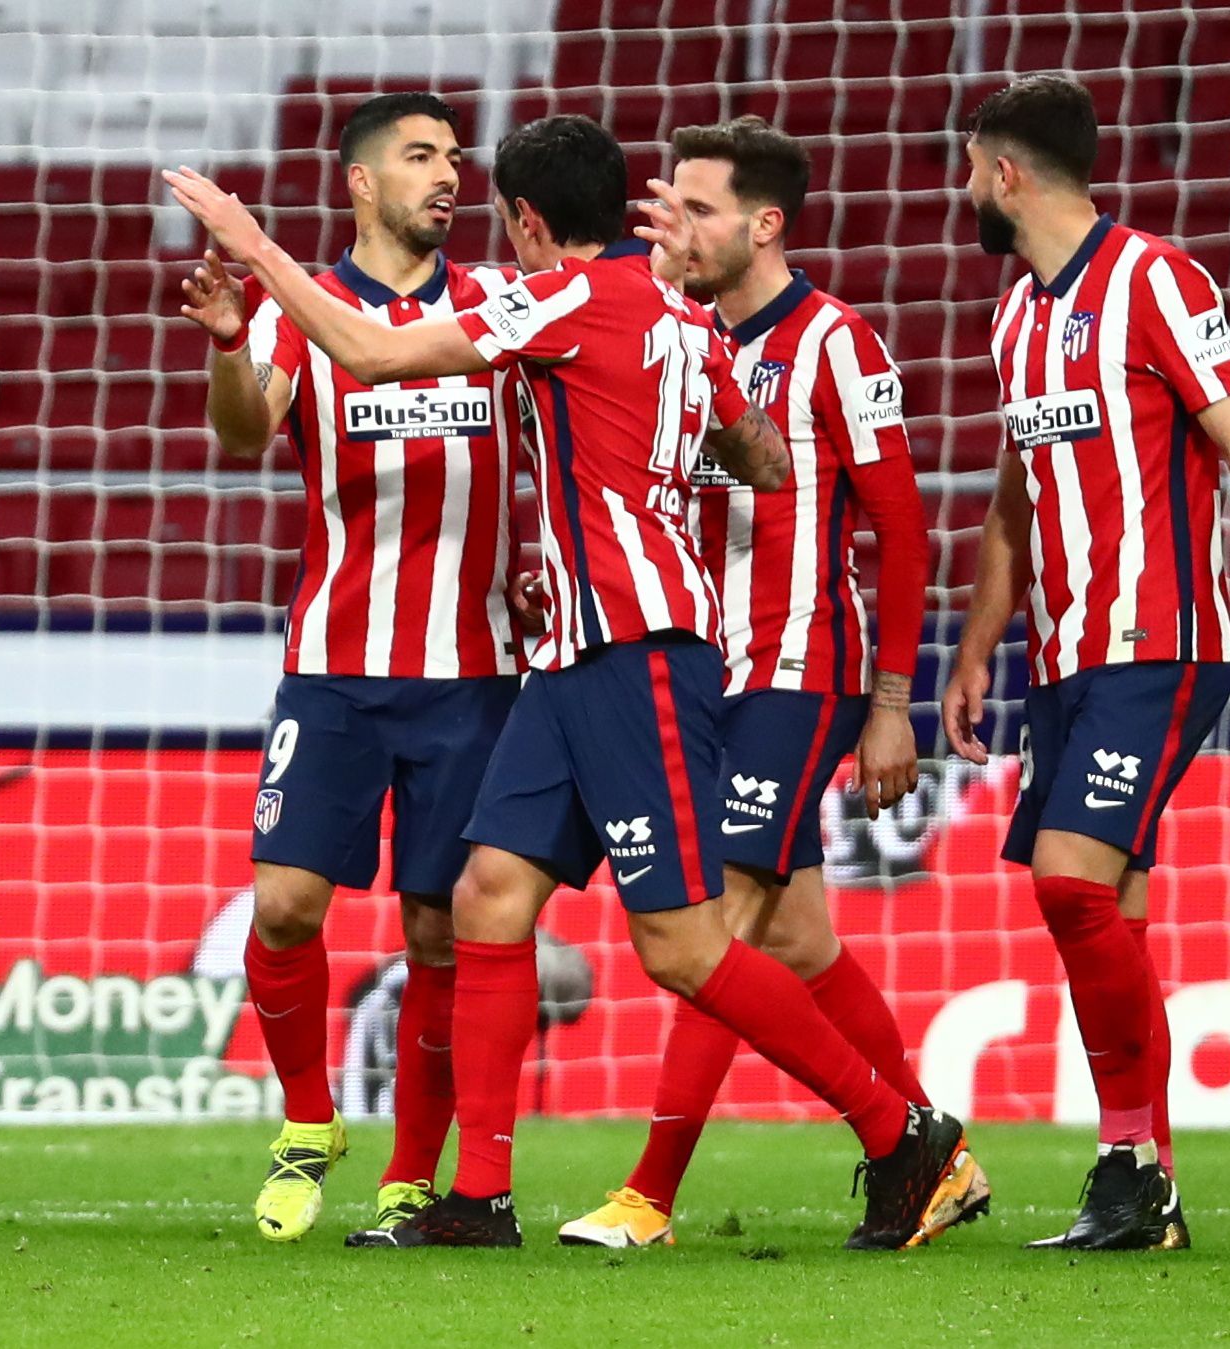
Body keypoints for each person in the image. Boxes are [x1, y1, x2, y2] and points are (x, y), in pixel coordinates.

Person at [167, 113, 972, 1252]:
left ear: (529, 221)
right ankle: (478, 1197)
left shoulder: (562, 299)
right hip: (566, 657)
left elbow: (377, 354)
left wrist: (255, 245)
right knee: (489, 896)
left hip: (635, 651)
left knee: (684, 946)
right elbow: (767, 460)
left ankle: (902, 1136)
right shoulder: (685, 317)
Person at [557, 116, 988, 1250]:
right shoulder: (670, 333)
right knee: (797, 937)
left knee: (721, 922)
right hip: (703, 662)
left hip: (799, 667)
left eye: (698, 208)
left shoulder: (838, 342)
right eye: (670, 203)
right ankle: (934, 1147)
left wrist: (892, 699)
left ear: (764, 223)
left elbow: (904, 532)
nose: (676, 226)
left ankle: (649, 1192)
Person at [941, 76, 1230, 1251]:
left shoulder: (1156, 279)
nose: (965, 189)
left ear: (1005, 172)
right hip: (1064, 659)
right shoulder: (1017, 316)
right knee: (1108, 907)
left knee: (1065, 880)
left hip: (1162, 642)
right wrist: (974, 650)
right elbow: (1014, 500)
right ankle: (1139, 1188)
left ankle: (1129, 1160)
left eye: (971, 167)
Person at [177, 92, 522, 1246]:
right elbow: (242, 428)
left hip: (473, 672)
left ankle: (411, 1176)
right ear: (359, 183)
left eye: (454, 158)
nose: (447, 176)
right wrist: (231, 343)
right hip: (333, 666)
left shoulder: (498, 308)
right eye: (420, 157)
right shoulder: (298, 309)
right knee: (284, 904)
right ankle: (310, 1120)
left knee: (437, 931)